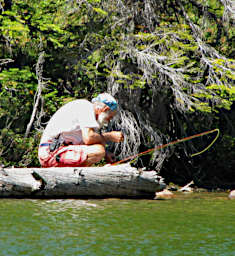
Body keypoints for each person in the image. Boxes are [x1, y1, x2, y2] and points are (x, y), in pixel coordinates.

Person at [38, 93, 124, 167]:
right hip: (50, 153)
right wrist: (109, 136)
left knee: (100, 151)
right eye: (110, 117)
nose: (108, 121)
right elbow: (88, 138)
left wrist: (106, 154)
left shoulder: (91, 121)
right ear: (104, 109)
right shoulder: (86, 107)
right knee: (99, 150)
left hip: (56, 154)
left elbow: (91, 140)